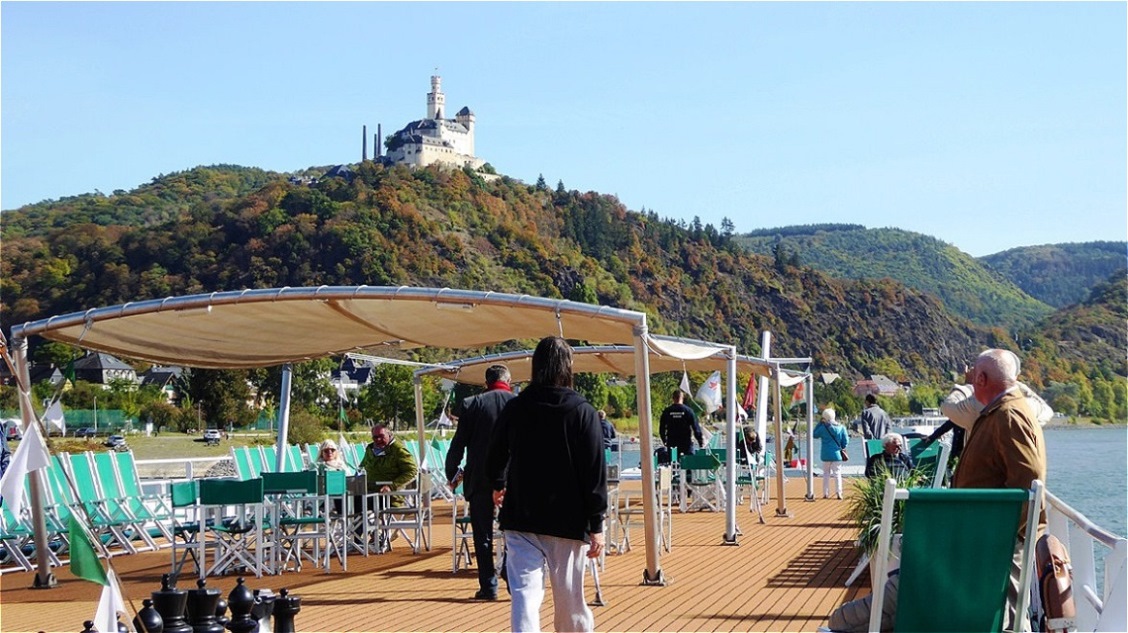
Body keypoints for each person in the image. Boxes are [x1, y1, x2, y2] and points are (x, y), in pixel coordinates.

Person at [486, 336, 607, 633]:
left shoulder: (516, 407)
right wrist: (597, 524)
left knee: (525, 596)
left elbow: (495, 453)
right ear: (568, 367)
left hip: (521, 517)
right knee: (570, 601)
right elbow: (594, 471)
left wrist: (498, 483)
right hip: (567, 520)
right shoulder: (582, 411)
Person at [952, 348, 1048, 631]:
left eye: (973, 378)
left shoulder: (1008, 414)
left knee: (1005, 618)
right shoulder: (1001, 410)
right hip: (992, 536)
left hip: (1001, 541)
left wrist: (1002, 533)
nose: (971, 383)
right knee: (1001, 616)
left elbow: (1030, 481)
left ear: (981, 378)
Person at [445, 364, 515, 601]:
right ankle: (510, 574)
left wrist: (452, 473)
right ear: (509, 381)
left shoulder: (472, 404)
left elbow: (458, 444)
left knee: (482, 535)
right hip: (512, 479)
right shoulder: (518, 404)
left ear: (486, 383)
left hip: (480, 479)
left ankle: (488, 585)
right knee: (514, 533)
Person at [360, 424, 418, 508]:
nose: (378, 439)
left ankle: (364, 520)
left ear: (390, 435)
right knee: (343, 502)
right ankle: (356, 521)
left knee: (357, 504)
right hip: (369, 492)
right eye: (375, 437)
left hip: (389, 496)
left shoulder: (398, 450)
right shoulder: (370, 449)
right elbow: (361, 468)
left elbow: (412, 471)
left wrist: (391, 486)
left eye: (381, 436)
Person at [813, 408, 848, 499]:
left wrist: (820, 423)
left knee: (826, 474)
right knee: (837, 474)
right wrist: (842, 446)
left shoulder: (823, 428)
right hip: (837, 454)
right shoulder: (841, 428)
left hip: (825, 454)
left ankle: (825, 493)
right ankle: (839, 493)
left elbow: (814, 434)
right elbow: (845, 441)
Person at [659, 390, 703, 460]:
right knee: (689, 463)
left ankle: (674, 471)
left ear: (673, 398)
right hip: (686, 442)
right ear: (682, 398)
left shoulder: (667, 411)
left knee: (673, 464)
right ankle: (689, 470)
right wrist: (700, 442)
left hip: (672, 442)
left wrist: (664, 440)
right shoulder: (689, 411)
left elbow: (662, 428)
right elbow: (696, 428)